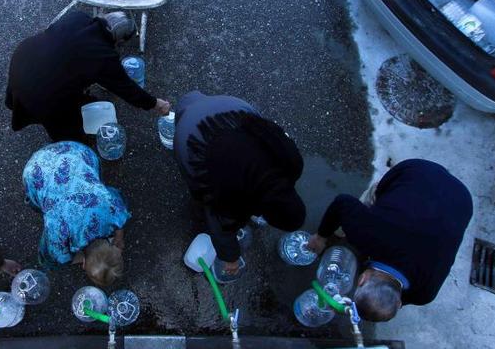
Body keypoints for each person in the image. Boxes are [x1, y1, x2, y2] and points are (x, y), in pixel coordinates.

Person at [308, 159, 473, 322]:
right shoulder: (365, 234)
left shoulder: (425, 293)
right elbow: (342, 203)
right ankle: (348, 222)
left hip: (461, 199)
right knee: (371, 199)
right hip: (417, 172)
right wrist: (321, 237)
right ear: (362, 279)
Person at [174, 91, 306, 281]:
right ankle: (187, 112)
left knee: (191, 104)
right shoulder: (235, 197)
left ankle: (191, 103)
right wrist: (231, 258)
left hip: (229, 108)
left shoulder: (293, 163)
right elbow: (221, 225)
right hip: (195, 135)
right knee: (204, 201)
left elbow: (272, 132)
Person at [6, 10, 171, 141]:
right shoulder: (102, 57)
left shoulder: (77, 17)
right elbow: (128, 90)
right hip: (39, 93)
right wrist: (156, 104)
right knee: (68, 130)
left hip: (23, 60)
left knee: (61, 74)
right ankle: (67, 144)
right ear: (118, 42)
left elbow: (66, 52)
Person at [22, 141, 130, 286]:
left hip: (75, 152)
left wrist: (119, 236)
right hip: (34, 173)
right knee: (50, 259)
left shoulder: (110, 210)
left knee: (99, 185)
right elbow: (52, 254)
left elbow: (119, 208)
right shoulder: (58, 233)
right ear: (83, 264)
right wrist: (72, 258)